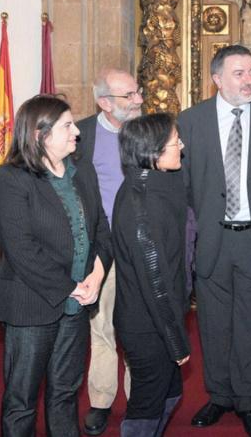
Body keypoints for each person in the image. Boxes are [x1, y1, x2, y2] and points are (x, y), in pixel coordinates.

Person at [177, 44, 251, 437]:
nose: (249, 80)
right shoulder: (190, 120)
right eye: (239, 73)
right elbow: (182, 185)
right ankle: (219, 395)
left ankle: (247, 400)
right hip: (211, 239)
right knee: (212, 323)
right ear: (217, 79)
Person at [0, 95, 112, 436]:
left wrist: (96, 279)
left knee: (66, 394)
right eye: (67, 126)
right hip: (32, 304)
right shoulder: (11, 179)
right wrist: (72, 286)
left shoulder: (82, 170)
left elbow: (101, 228)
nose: (77, 133)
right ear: (40, 134)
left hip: (78, 303)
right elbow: (21, 249)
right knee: (22, 399)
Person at [113, 113, 190, 436]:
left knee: (170, 393)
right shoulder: (143, 204)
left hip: (156, 317)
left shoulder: (157, 184)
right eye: (175, 142)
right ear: (154, 151)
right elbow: (155, 282)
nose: (182, 146)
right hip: (148, 326)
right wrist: (177, 342)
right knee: (147, 404)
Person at [76, 69, 142, 435]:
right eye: (128, 95)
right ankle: (101, 401)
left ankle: (138, 401)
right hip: (101, 248)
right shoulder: (80, 134)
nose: (138, 101)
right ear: (104, 102)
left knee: (137, 328)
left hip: (140, 247)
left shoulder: (147, 132)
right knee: (101, 329)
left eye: (137, 92)